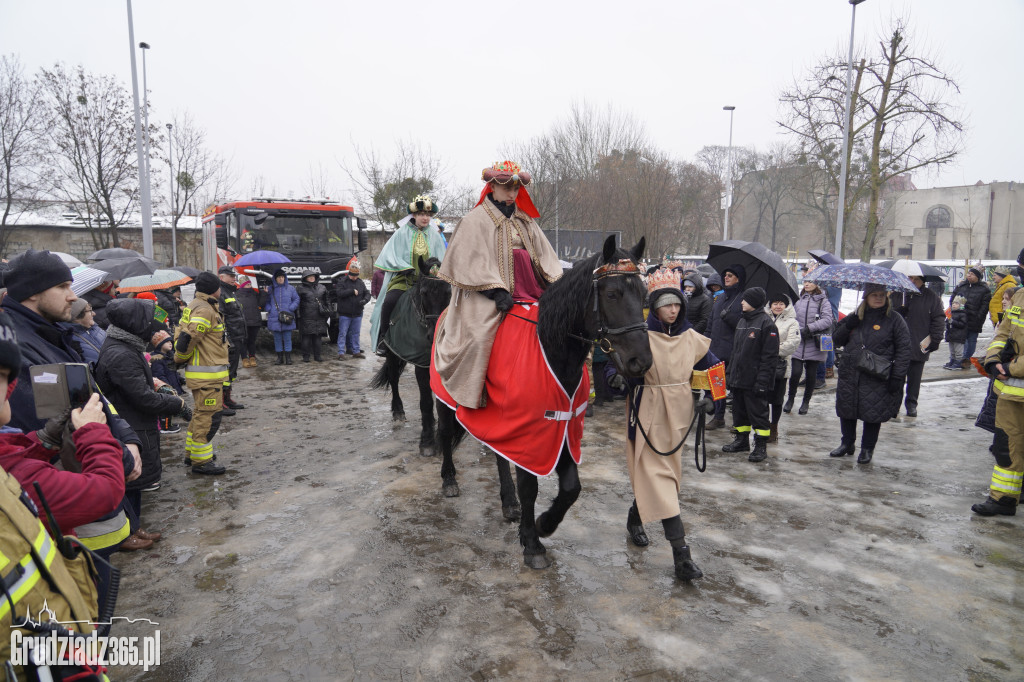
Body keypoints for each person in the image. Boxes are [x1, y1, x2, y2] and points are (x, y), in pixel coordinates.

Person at [434, 162, 561, 408]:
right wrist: (496, 291)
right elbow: (469, 261)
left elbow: (545, 255)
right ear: (492, 186)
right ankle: (473, 392)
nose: (512, 193)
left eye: (516, 188)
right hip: (484, 291)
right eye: (506, 187)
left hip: (531, 288)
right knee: (480, 337)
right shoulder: (474, 220)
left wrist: (555, 282)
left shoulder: (525, 220)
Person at [624, 268, 719, 581]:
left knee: (664, 478)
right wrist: (619, 378)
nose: (673, 309)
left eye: (677, 304)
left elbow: (715, 366)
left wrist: (714, 400)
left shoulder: (691, 338)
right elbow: (624, 372)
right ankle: (682, 556)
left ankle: (635, 515)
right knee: (661, 479)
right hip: (648, 410)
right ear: (654, 306)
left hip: (678, 413)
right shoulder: (641, 336)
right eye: (666, 304)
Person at [95, 298, 191, 540]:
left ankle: (134, 528)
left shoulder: (126, 346)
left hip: (136, 423)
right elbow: (143, 398)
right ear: (135, 324)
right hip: (132, 425)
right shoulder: (121, 354)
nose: (153, 326)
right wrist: (176, 404)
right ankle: (128, 534)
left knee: (135, 483)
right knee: (130, 482)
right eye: (148, 321)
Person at [829, 284, 912, 464]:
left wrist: (897, 376)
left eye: (882, 295)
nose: (878, 298)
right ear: (866, 297)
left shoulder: (895, 319)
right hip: (851, 372)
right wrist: (847, 326)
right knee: (847, 410)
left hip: (877, 375)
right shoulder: (855, 316)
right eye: (874, 295)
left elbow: (904, 350)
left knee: (872, 413)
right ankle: (847, 443)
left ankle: (867, 448)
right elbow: (835, 340)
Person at [369, 195, 448, 354]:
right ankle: (384, 339)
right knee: (389, 302)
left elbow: (443, 257)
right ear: (414, 215)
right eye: (421, 214)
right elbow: (390, 254)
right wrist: (402, 266)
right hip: (405, 279)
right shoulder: (401, 233)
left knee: (447, 302)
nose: (425, 218)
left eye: (428, 215)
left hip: (429, 282)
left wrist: (436, 268)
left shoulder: (435, 235)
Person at [973, 286, 1024, 516]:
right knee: (1005, 446)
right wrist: (993, 361)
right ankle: (1003, 499)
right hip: (1009, 392)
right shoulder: (1020, 295)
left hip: (1012, 377)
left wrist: (1011, 368)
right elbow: (1002, 333)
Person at [174, 271, 229, 475]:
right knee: (209, 417)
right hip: (207, 375)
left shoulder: (197, 305)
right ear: (214, 289)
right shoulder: (205, 309)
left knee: (200, 415)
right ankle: (201, 461)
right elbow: (188, 337)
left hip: (204, 374)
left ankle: (193, 454)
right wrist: (178, 358)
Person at [721, 288, 780, 462]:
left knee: (758, 414)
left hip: (754, 381)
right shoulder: (742, 321)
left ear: (754, 302)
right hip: (739, 379)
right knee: (739, 412)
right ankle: (741, 441)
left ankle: (761, 446)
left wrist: (762, 381)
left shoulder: (766, 324)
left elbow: (769, 358)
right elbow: (736, 352)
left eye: (745, 300)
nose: (741, 302)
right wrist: (730, 374)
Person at [891, 275, 945, 417]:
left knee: (914, 379)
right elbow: (886, 315)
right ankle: (894, 406)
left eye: (916, 279)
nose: (912, 281)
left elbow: (938, 318)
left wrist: (936, 339)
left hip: (918, 344)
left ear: (923, 281)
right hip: (897, 345)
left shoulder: (931, 297)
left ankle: (911, 405)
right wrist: (897, 312)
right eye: (910, 278)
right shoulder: (897, 294)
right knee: (897, 377)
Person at [706, 265, 746, 429]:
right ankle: (718, 416)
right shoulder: (720, 298)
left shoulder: (743, 298)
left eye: (730, 275)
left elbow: (744, 326)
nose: (726, 278)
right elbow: (711, 322)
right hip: (715, 350)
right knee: (717, 385)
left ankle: (739, 422)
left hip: (733, 351)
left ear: (738, 278)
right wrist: (706, 341)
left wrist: (729, 317)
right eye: (725, 275)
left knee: (734, 389)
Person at [785, 280, 834, 415]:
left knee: (811, 375)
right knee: (795, 373)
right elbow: (792, 317)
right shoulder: (800, 300)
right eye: (806, 281)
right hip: (799, 342)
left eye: (810, 282)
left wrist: (809, 328)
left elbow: (828, 319)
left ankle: (806, 402)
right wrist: (799, 330)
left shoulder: (823, 301)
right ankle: (790, 399)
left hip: (815, 343)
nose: (807, 284)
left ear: (817, 284)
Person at [766, 293, 800, 443]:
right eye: (775, 303)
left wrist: (771, 349)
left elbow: (792, 343)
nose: (778, 306)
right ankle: (764, 425)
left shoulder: (792, 322)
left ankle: (774, 427)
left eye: (781, 303)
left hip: (780, 366)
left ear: (786, 306)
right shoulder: (764, 319)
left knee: (777, 400)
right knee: (763, 398)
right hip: (764, 365)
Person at [216, 266, 247, 411]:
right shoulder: (221, 293)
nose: (234, 278)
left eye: (234, 275)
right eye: (230, 276)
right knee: (225, 372)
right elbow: (221, 319)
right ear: (221, 277)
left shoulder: (231, 292)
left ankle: (227, 399)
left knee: (232, 372)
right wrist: (228, 340)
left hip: (238, 336)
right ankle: (221, 401)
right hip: (230, 340)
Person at [949, 265, 992, 368]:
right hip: (960, 318)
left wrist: (978, 317)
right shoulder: (962, 285)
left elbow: (985, 306)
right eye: (968, 273)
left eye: (972, 274)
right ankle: (958, 359)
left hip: (974, 319)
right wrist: (955, 310)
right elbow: (952, 298)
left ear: (978, 276)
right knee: (960, 339)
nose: (969, 275)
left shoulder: (984, 289)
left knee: (971, 339)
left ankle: (967, 360)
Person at [335, 263, 369, 360]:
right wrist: (351, 291)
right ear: (349, 274)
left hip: (357, 313)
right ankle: (341, 353)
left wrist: (365, 300)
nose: (354, 278)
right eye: (353, 276)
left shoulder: (360, 282)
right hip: (345, 313)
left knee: (356, 333)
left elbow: (367, 293)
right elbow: (339, 293)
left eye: (356, 275)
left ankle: (356, 351)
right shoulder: (342, 281)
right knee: (343, 333)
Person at [265, 268, 299, 365]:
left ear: (285, 278)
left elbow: (296, 299)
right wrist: (269, 309)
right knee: (277, 339)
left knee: (288, 338)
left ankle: (288, 358)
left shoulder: (291, 288)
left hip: (287, 316)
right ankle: (279, 358)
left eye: (282, 277)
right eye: (279, 277)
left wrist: (291, 308)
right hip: (275, 317)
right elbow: (266, 301)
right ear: (275, 279)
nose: (281, 279)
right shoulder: (271, 289)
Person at [296, 270, 329, 362]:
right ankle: (306, 357)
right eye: (309, 277)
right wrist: (298, 315)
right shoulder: (300, 288)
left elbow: (327, 301)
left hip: (319, 316)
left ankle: (317, 356)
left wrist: (327, 312)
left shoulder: (322, 287)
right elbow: (297, 303)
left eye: (313, 276)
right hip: (306, 317)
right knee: (306, 338)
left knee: (318, 338)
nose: (311, 278)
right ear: (305, 278)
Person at [65, 297, 106, 367]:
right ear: (77, 315)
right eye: (90, 310)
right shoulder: (71, 341)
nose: (94, 313)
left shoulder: (96, 328)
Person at [236, 279, 265, 367]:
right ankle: (244, 358)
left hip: (254, 321)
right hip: (243, 322)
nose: (249, 286)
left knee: (252, 341)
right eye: (247, 284)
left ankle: (252, 357)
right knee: (243, 341)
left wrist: (264, 294)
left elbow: (261, 304)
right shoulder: (237, 294)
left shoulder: (254, 293)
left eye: (250, 284)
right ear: (242, 285)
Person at [942, 296, 969, 370]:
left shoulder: (963, 314)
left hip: (959, 336)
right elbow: (949, 323)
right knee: (952, 350)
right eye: (953, 303)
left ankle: (958, 362)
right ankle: (953, 361)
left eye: (956, 303)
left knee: (958, 351)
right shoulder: (951, 313)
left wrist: (953, 322)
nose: (954, 304)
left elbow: (962, 324)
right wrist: (947, 322)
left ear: (961, 305)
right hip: (951, 335)